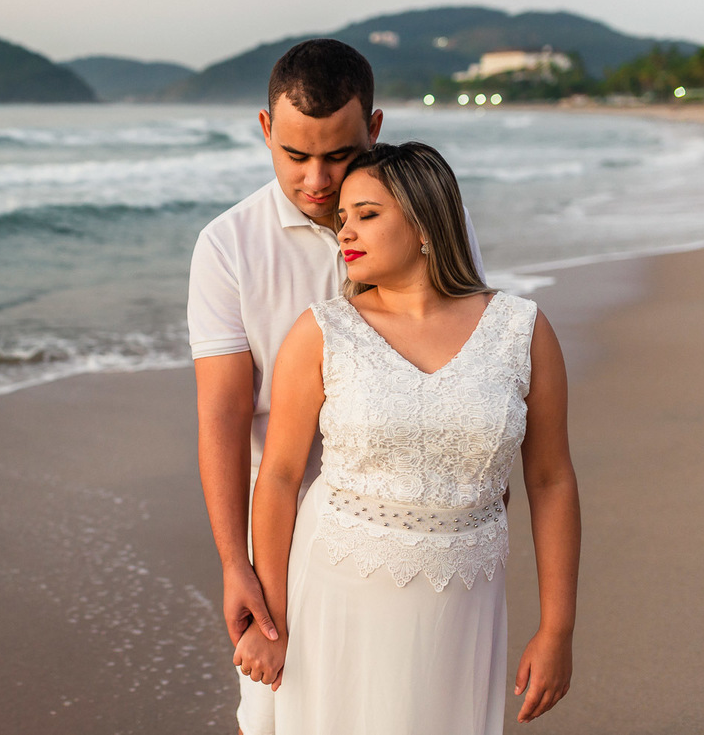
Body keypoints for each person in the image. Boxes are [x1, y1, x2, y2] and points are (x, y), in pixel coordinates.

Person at [187, 39, 484, 734]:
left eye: (339, 154)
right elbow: (224, 417)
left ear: (374, 130)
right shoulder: (228, 247)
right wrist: (238, 562)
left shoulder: (424, 228)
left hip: (417, 531)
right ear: (265, 130)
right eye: (295, 155)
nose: (317, 180)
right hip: (288, 530)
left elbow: (468, 352)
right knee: (279, 713)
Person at [232, 142, 581, 733]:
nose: (345, 232)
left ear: (424, 223)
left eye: (367, 214)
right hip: (338, 590)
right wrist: (273, 626)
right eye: (342, 217)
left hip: (464, 599)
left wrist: (557, 630)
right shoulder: (323, 332)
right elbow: (280, 479)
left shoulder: (521, 330)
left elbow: (550, 481)